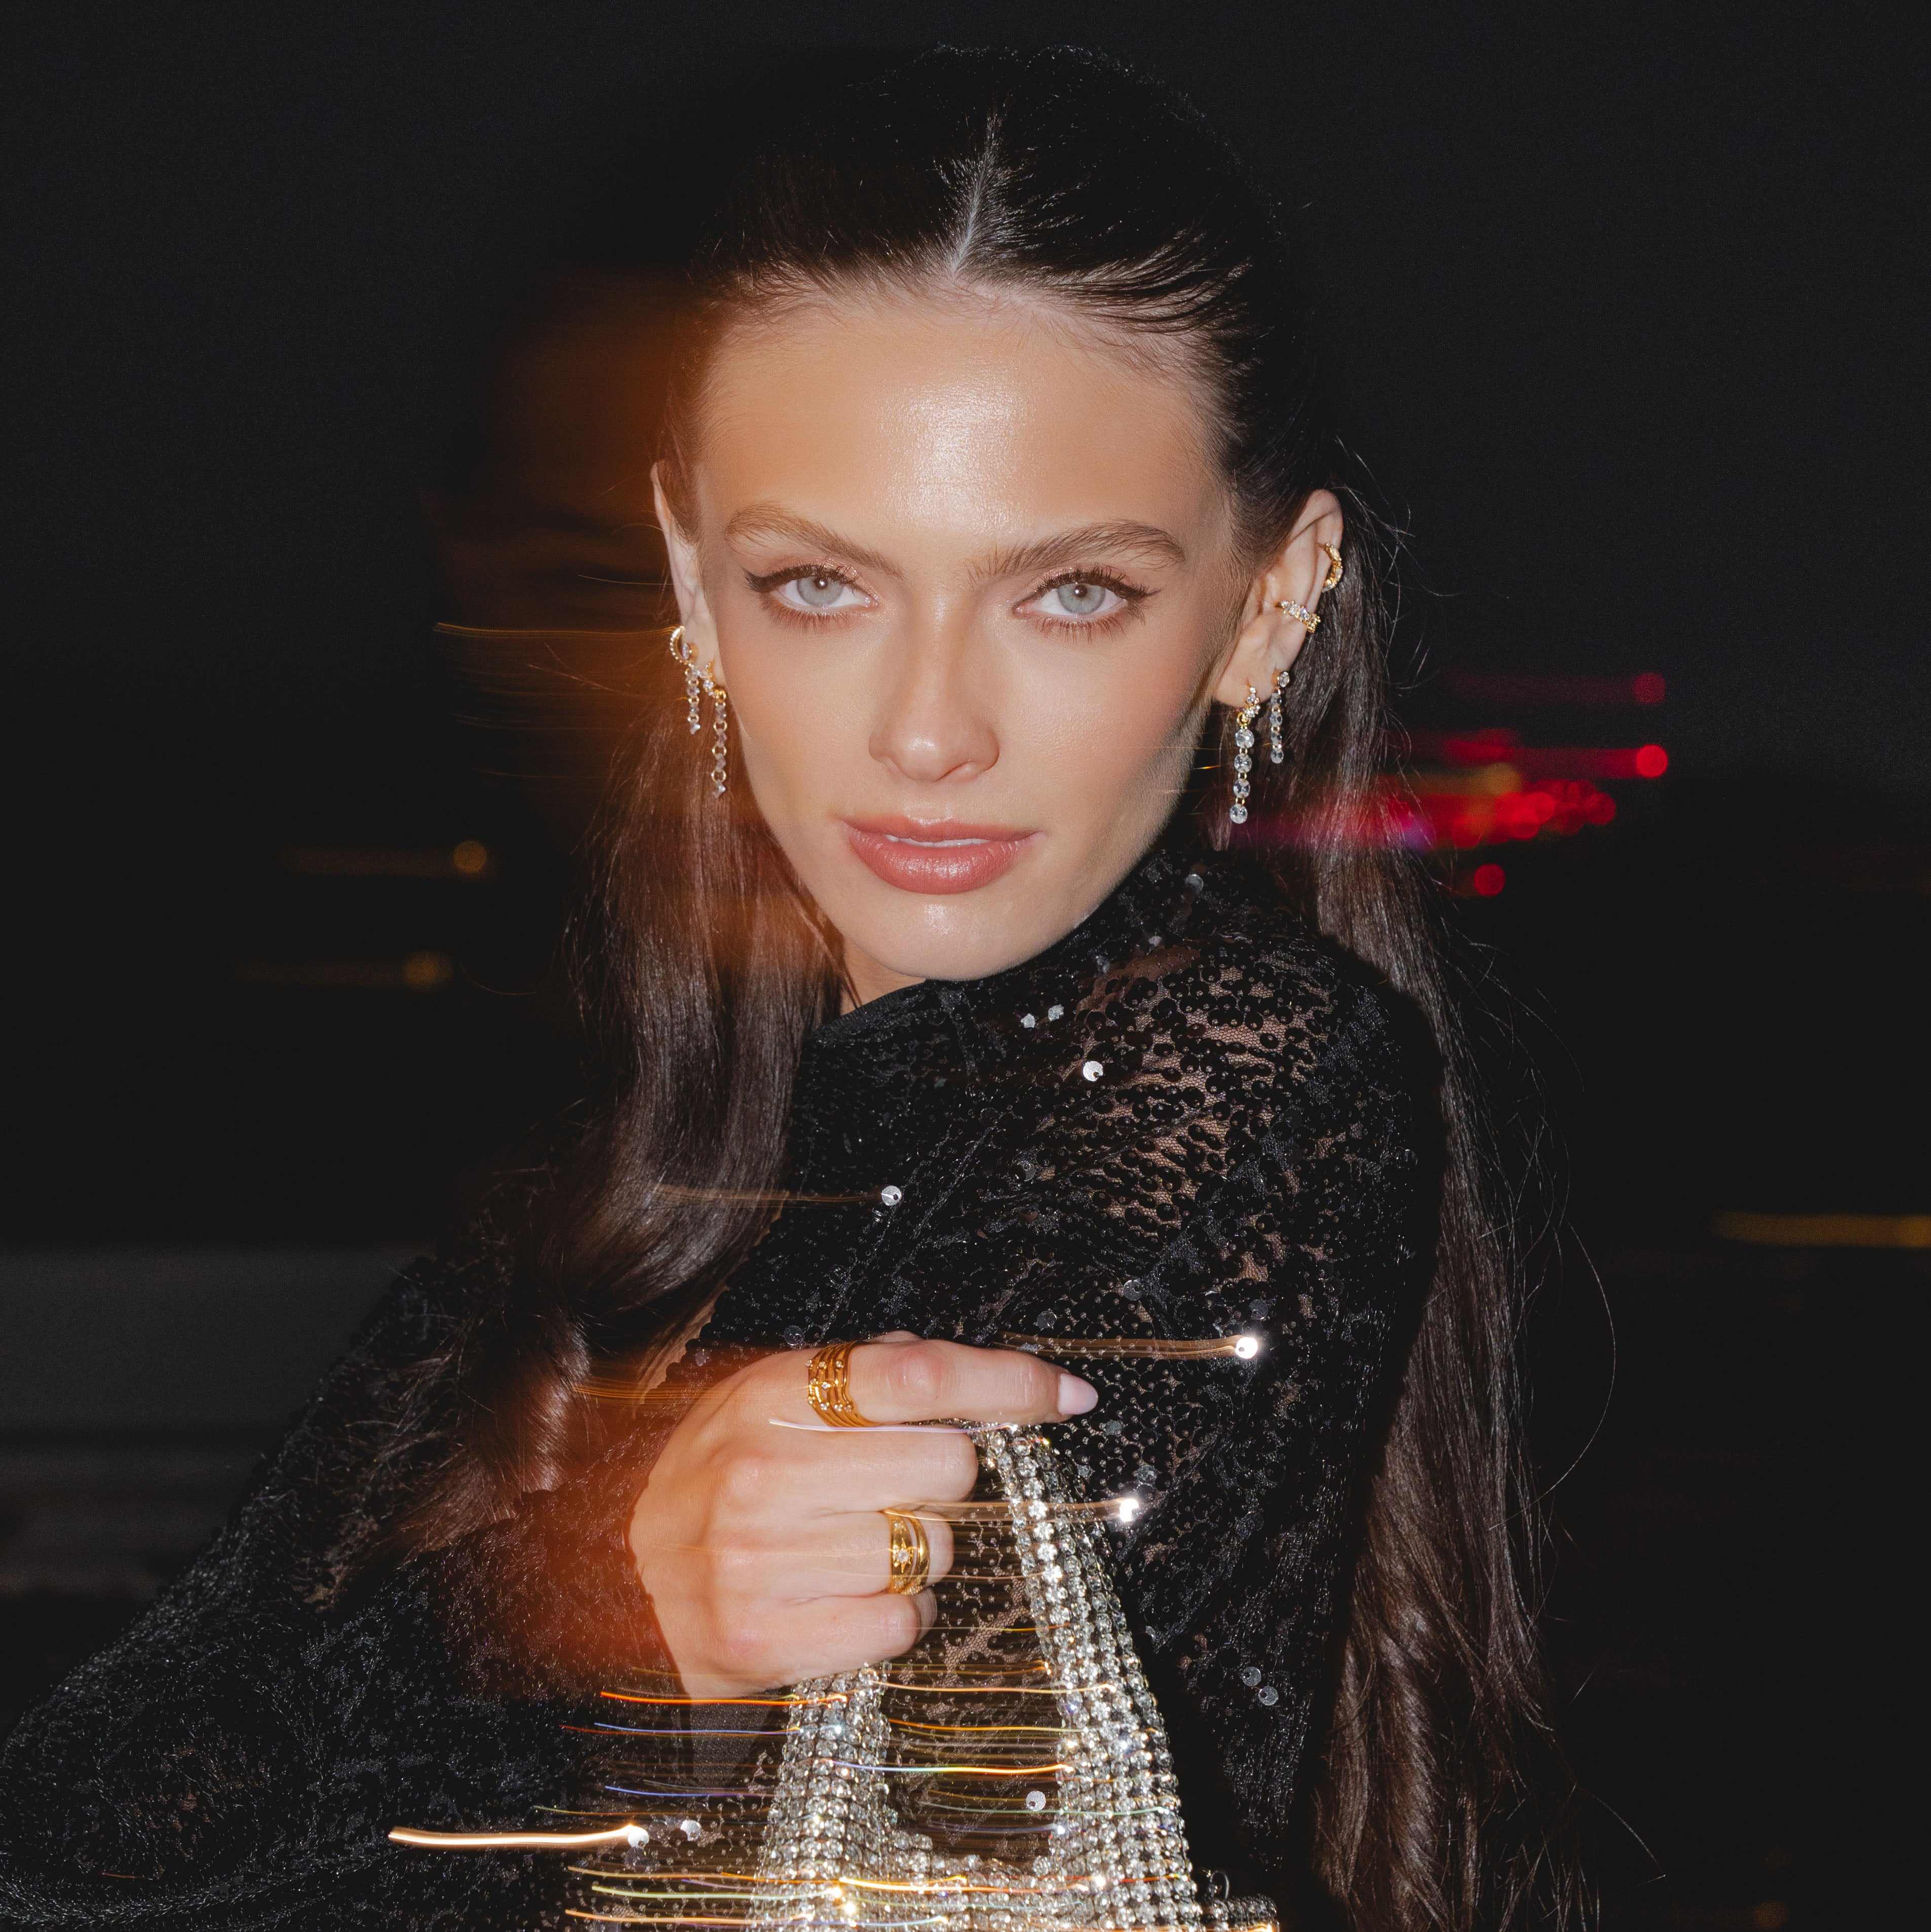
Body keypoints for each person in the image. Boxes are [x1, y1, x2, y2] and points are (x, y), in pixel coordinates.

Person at [0, 48, 1576, 1932]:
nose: (927, 731)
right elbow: (69, 1833)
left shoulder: (1240, 1077)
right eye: (819, 583)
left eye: (1070, 591)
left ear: (1270, 602)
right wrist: (591, 1587)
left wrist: (565, 1613)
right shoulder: (617, 1198)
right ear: (691, 578)